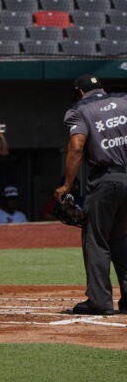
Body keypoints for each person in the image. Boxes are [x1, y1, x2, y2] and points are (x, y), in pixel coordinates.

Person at [54, 74, 127, 315]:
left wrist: (66, 185)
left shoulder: (80, 109)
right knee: (120, 239)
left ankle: (99, 301)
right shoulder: (124, 100)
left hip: (106, 181)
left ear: (80, 92)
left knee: (96, 240)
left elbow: (76, 147)